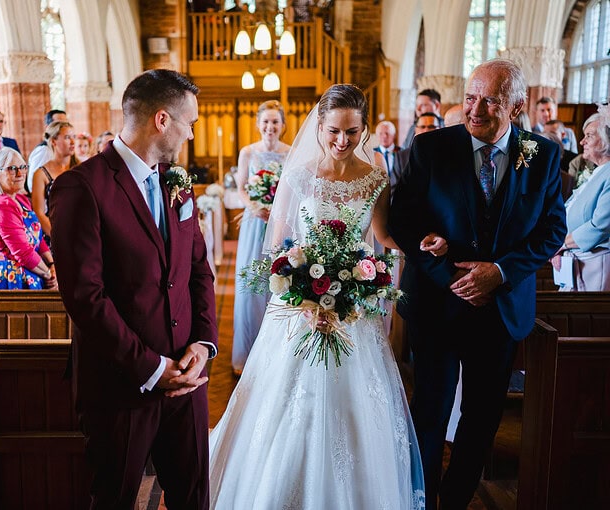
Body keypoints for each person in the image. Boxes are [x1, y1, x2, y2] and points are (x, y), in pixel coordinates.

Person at [209, 84, 426, 509]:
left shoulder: (375, 175)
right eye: (334, 131)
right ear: (319, 126)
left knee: (357, 410)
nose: (343, 141)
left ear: (363, 127)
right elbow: (276, 246)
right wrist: (304, 296)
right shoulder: (299, 173)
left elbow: (381, 236)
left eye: (352, 131)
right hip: (298, 310)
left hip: (354, 310)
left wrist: (419, 247)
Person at [389, 59, 566, 510]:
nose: (475, 109)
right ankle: (424, 501)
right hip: (437, 305)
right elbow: (404, 222)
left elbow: (551, 230)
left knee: (482, 420)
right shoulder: (430, 149)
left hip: (501, 310)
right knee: (430, 415)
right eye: (470, 97)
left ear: (517, 105)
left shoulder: (542, 155)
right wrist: (450, 276)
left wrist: (500, 272)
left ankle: (456, 500)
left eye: (490, 100)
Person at [49, 69, 218, 510]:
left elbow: (198, 270)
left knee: (194, 498)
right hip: (122, 384)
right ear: (163, 120)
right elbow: (85, 296)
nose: (192, 133)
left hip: (187, 376)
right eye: (190, 122)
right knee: (116, 499)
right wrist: (150, 367)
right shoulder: (81, 187)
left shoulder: (177, 184)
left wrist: (202, 343)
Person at [232, 99, 291, 376]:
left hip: (280, 225)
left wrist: (276, 210)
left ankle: (275, 355)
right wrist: (256, 206)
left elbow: (292, 190)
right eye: (265, 121)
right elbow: (242, 188)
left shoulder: (290, 153)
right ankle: (246, 353)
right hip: (255, 222)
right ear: (258, 124)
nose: (270, 126)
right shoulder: (248, 152)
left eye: (275, 121)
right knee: (252, 284)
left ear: (282, 125)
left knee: (278, 282)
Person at [551, 109, 610, 291]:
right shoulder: (599, 172)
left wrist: (560, 245)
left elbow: (601, 225)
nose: (582, 141)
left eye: (589, 136)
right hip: (576, 264)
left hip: (595, 266)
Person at [0, 147, 57, 290]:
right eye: (12, 168)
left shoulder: (21, 199)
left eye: (23, 167)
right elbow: (23, 252)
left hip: (35, 269)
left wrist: (51, 265)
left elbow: (38, 237)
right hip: (14, 277)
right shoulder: (0, 205)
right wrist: (48, 274)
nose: (20, 173)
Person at [31, 120, 77, 244]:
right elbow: (39, 212)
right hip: (55, 232)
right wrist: (58, 237)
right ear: (53, 141)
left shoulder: (82, 168)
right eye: (67, 137)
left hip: (82, 229)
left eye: (74, 137)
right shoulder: (41, 174)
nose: (73, 142)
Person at [27, 109, 68, 192]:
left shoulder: (61, 151)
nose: (64, 127)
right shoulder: (44, 150)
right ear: (47, 127)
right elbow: (33, 185)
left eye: (66, 123)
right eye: (59, 123)